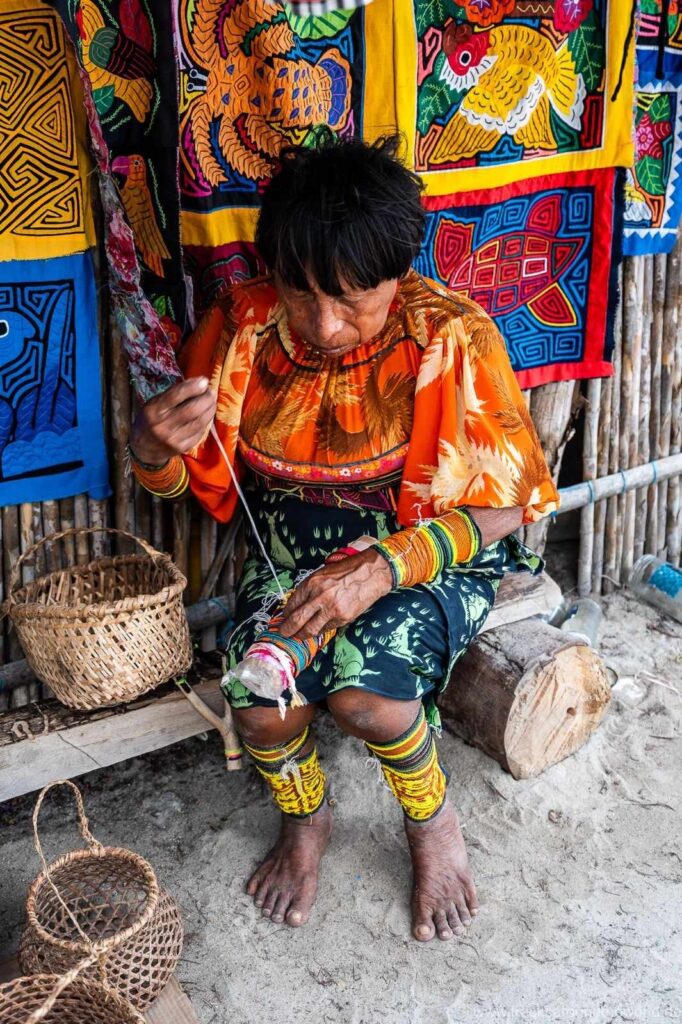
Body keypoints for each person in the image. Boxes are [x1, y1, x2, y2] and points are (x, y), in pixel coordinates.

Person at [130, 134, 559, 942]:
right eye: (300, 293)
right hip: (292, 554)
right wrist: (153, 449)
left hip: (426, 550)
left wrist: (379, 569)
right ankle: (306, 820)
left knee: (367, 697)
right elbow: (191, 479)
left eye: (352, 298)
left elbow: (511, 505)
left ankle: (431, 821)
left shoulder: (452, 335)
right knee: (259, 698)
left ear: (398, 276)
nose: (323, 323)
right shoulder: (244, 325)